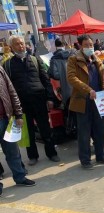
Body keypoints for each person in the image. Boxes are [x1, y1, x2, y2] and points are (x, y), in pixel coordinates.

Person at [4, 35, 60, 165]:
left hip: (39, 101)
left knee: (45, 129)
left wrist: (50, 98)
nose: (21, 46)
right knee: (28, 132)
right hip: (22, 104)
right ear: (12, 47)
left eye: (22, 43)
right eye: (17, 44)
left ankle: (52, 153)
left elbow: (46, 80)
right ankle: (32, 156)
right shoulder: (8, 65)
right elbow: (8, 88)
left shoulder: (35, 60)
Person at [67, 34, 104, 169]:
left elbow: (102, 79)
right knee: (84, 133)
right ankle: (85, 160)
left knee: (100, 130)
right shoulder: (74, 60)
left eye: (91, 45)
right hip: (83, 101)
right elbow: (71, 78)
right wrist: (88, 90)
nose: (89, 47)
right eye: (86, 45)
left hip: (99, 100)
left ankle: (101, 155)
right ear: (80, 46)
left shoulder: (96, 60)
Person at [0, 65, 35, 195]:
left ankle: (20, 177)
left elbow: (11, 91)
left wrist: (18, 114)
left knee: (13, 151)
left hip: (5, 119)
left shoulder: (0, 70)